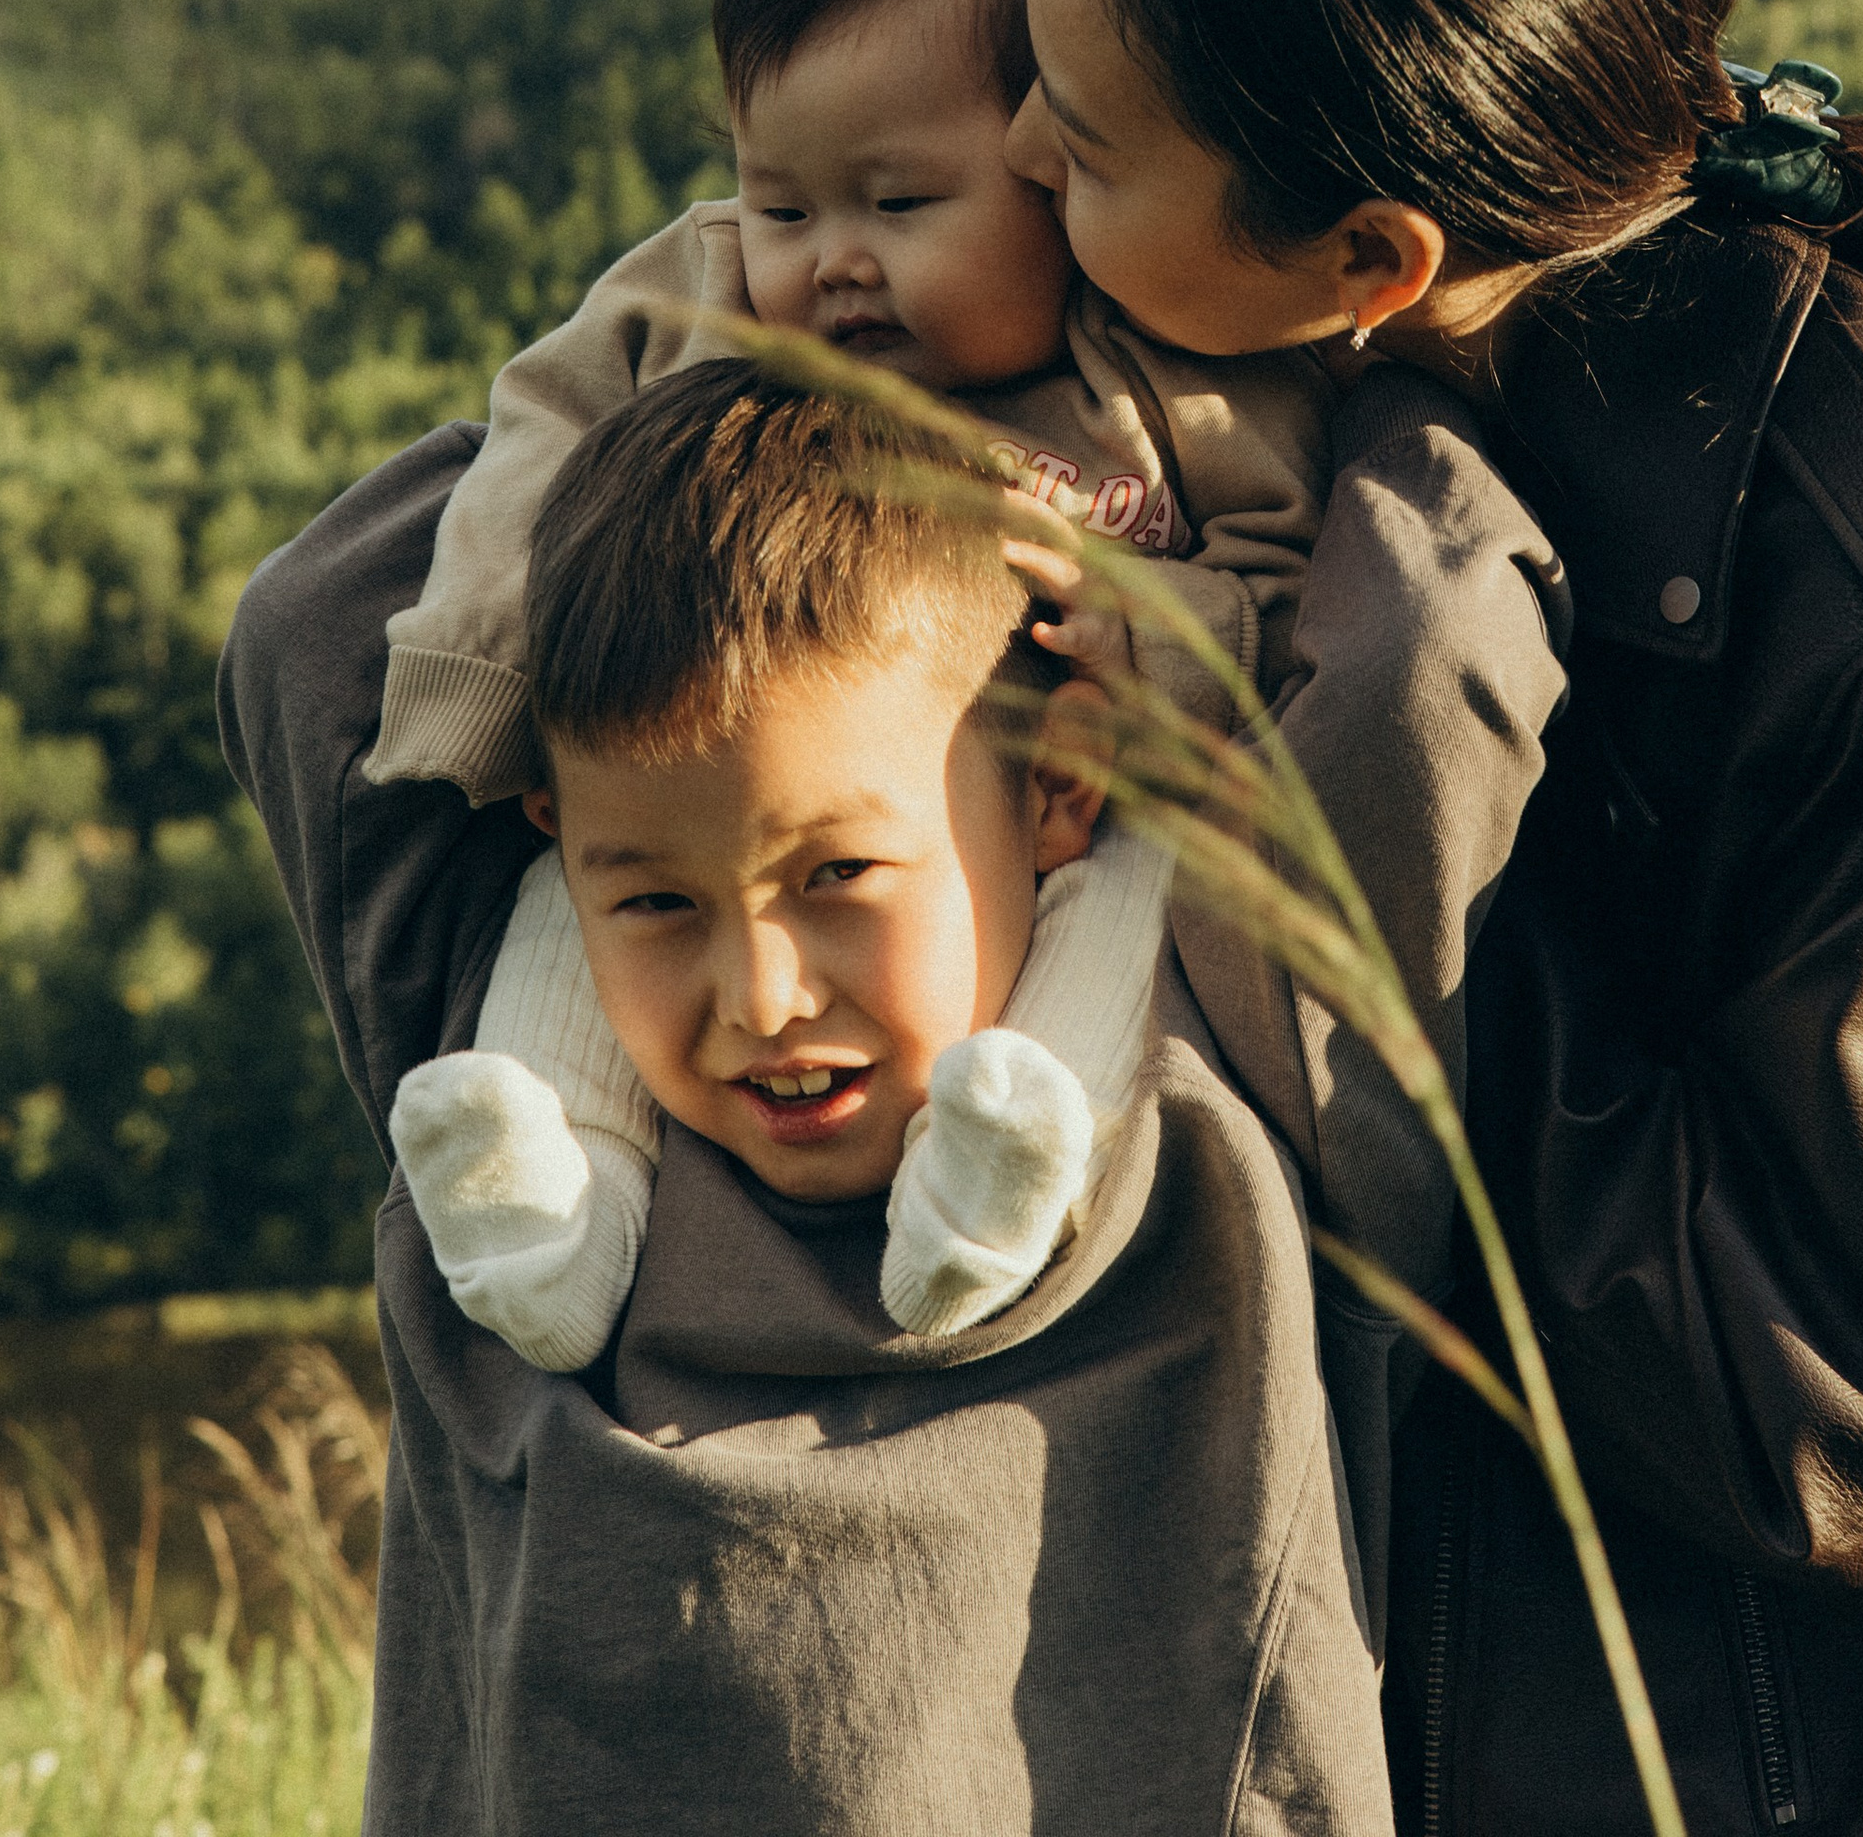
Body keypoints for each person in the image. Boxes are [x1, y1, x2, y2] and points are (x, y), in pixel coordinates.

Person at [1003, 0, 1863, 1837]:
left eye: (1081, 144)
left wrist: (1300, 845)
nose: (1013, 152)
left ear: (1372, 257)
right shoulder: (1375, 415)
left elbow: (1830, 1420)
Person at [220, 357, 1405, 1837]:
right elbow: (309, 625)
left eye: (839, 875)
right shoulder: (505, 1176)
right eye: (653, 903)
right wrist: (748, 311)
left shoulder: (1220, 1101)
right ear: (556, 852)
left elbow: (1421, 660)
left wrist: (1017, 353)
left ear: (1058, 789)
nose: (761, 999)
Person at [363, 0, 1340, 1369]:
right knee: (601, 888)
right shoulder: (707, 297)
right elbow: (543, 420)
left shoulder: (1155, 368)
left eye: (899, 201)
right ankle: (552, 1188)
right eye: (785, 208)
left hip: (1072, 796)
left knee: (1134, 901)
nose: (835, 266)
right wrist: (491, 674)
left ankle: (1008, 1156)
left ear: (1053, 168)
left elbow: (1286, 568)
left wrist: (1162, 636)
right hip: (714, 752)